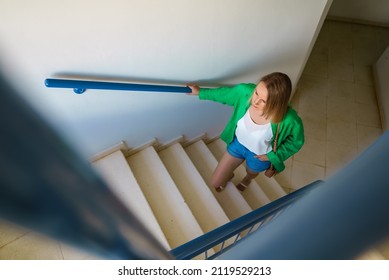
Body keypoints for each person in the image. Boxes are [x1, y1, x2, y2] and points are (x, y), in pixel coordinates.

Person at [187, 72, 304, 192]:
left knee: (251, 172)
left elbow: (296, 142)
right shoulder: (245, 92)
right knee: (215, 182)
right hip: (237, 144)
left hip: (259, 156)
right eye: (256, 92)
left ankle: (248, 179)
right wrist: (200, 92)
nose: (255, 101)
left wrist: (274, 156)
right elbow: (225, 94)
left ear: (276, 103)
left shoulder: (290, 120)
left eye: (264, 101)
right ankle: (229, 175)